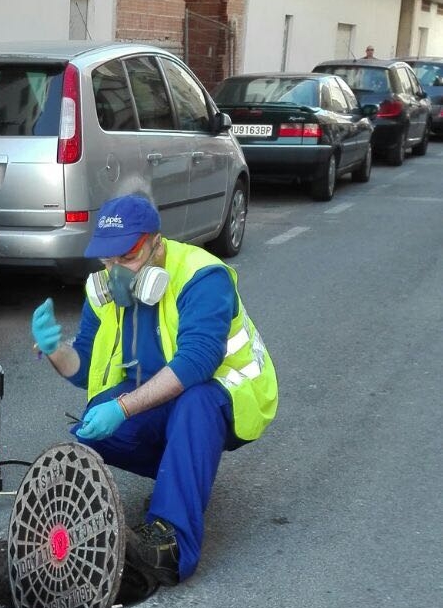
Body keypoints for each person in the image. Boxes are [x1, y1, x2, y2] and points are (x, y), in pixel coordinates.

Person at [30, 194, 278, 583]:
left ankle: (171, 545)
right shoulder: (105, 293)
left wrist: (124, 408)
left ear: (157, 245)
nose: (116, 272)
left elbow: (198, 361)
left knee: (195, 401)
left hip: (229, 394)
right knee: (93, 426)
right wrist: (55, 350)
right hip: (167, 400)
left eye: (127, 258)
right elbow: (85, 367)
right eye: (108, 261)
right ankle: (178, 479)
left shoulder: (202, 276)